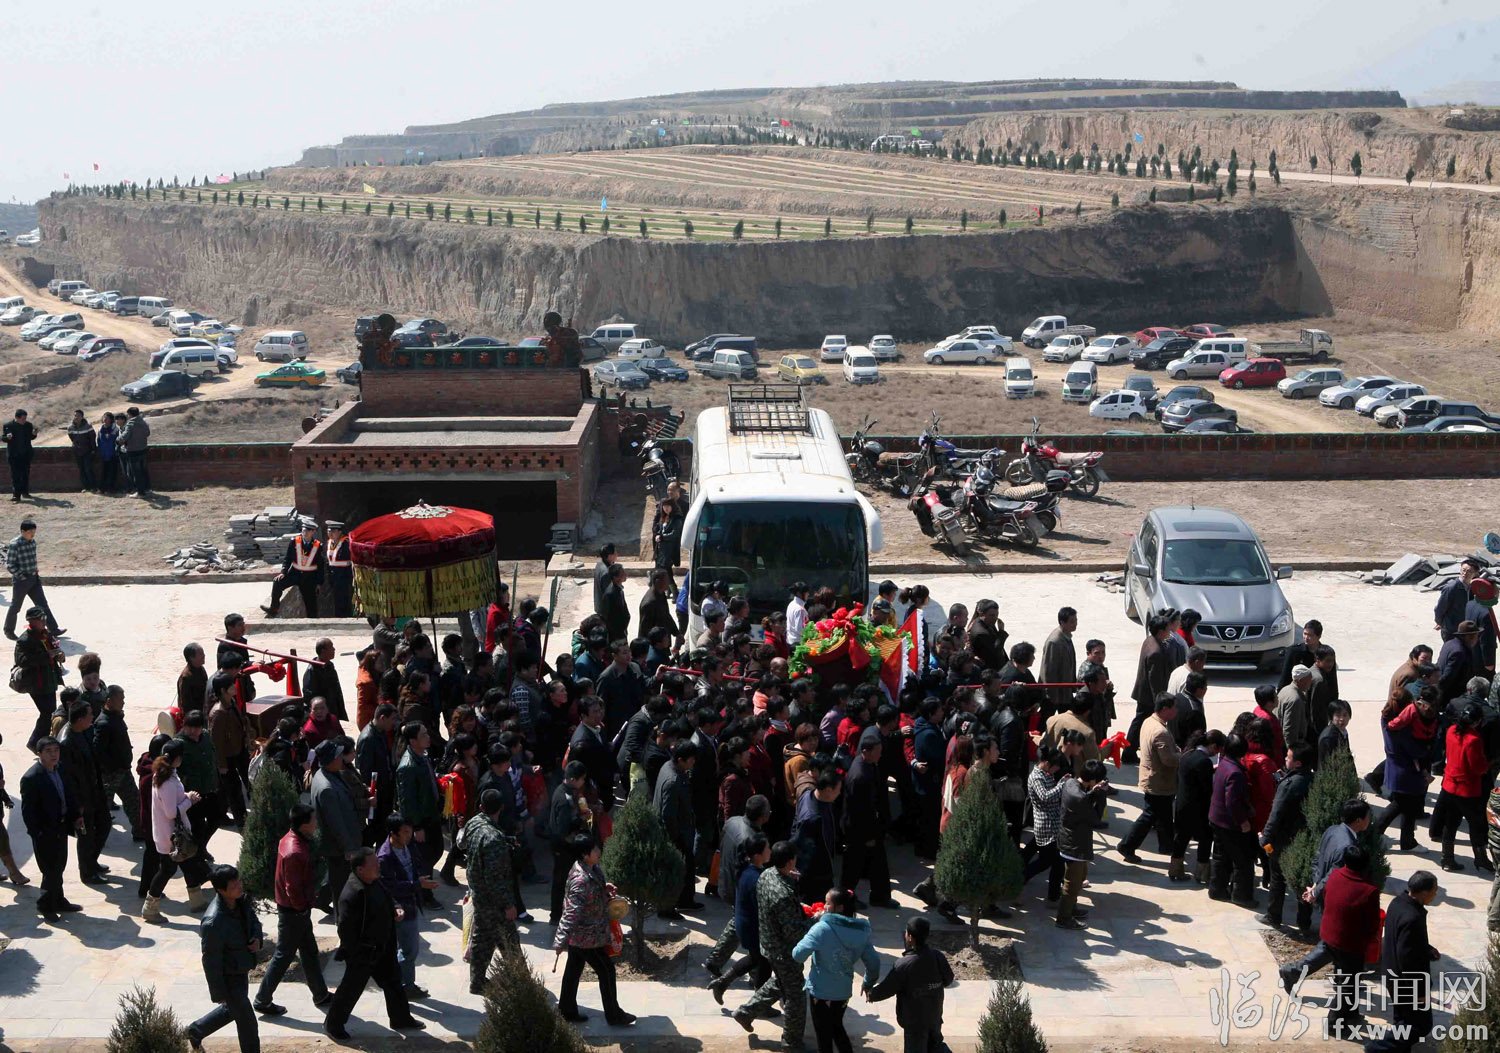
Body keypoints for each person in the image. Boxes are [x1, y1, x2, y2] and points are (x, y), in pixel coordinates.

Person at [1279, 845, 1380, 1034]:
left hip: (1331, 931)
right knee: (1348, 985)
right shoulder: (1369, 890)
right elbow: (1372, 921)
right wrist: (1368, 940)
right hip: (1350, 943)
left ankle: (1291, 973)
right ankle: (1335, 1024)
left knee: (1323, 957)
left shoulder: (1335, 875)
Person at [325, 846, 424, 1040]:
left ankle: (401, 1019)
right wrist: (357, 952)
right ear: (360, 869)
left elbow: (388, 897)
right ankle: (333, 1025)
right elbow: (345, 929)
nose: (378, 866)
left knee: (394, 982)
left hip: (383, 947)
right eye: (374, 864)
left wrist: (396, 907)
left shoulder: (374, 880)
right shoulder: (353, 893)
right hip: (364, 952)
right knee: (351, 989)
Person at [254, 802, 332, 1015]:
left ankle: (320, 994)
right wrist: (302, 909)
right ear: (304, 825)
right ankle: (262, 999)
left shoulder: (290, 839)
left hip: (296, 911)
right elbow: (293, 888)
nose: (316, 824)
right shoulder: (295, 851)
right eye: (313, 820)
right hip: (293, 912)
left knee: (309, 952)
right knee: (284, 956)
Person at [553, 833, 636, 1026]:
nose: (599, 851)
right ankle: (614, 1015)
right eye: (595, 849)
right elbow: (571, 912)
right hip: (586, 937)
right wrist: (560, 940)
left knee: (573, 970)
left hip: (585, 935)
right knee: (606, 971)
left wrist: (603, 889)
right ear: (585, 855)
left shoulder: (591, 869)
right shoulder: (580, 880)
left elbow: (591, 893)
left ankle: (566, 1010)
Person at [735, 839, 813, 1044]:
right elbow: (793, 932)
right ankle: (791, 1041)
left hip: (769, 943)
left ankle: (745, 1012)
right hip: (783, 950)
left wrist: (791, 880)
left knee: (781, 981)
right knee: (796, 995)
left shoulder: (767, 874)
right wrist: (815, 921)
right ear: (790, 862)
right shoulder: (783, 895)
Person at [792, 888, 881, 1053]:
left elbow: (798, 955)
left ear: (839, 907)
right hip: (842, 992)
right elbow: (874, 963)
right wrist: (868, 983)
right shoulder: (861, 932)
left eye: (827, 903)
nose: (824, 906)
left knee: (823, 1035)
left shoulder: (822, 928)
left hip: (820, 992)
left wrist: (812, 927)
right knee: (836, 1027)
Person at [187, 864, 264, 1053]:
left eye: (239, 881)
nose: (239, 886)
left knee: (233, 1009)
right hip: (228, 977)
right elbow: (210, 960)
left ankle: (196, 1030)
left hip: (241, 968)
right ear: (221, 890)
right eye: (234, 885)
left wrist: (257, 938)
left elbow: (254, 921)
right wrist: (218, 992)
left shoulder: (240, 901)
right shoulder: (213, 922)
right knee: (247, 1022)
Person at [1365, 871, 1441, 1053]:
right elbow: (1408, 960)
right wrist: (1420, 991)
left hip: (1392, 974)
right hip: (1405, 982)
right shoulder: (1412, 917)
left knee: (1403, 1021)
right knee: (1419, 1025)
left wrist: (1426, 948)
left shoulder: (1398, 902)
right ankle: (1376, 1049)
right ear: (1424, 892)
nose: (1436, 894)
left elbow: (1403, 939)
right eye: (1434, 890)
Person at [143, 738, 211, 920]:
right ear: (177, 758)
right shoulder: (166, 781)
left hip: (172, 835)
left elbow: (173, 799)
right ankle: (150, 908)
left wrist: (186, 795)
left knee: (189, 866)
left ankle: (197, 902)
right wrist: (190, 801)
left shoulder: (166, 774)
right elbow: (171, 812)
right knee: (167, 870)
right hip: (171, 837)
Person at [866, 916, 953, 1053]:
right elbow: (948, 979)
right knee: (935, 1045)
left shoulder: (904, 964)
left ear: (910, 937)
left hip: (914, 1023)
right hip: (934, 1016)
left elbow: (888, 988)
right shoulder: (938, 956)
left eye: (906, 932)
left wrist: (871, 994)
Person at [462, 789, 520, 994]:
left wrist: (506, 841)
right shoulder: (493, 838)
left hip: (478, 894)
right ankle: (520, 983)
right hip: (493, 901)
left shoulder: (474, 823)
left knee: (482, 940)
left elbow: (464, 844)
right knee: (509, 941)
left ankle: (477, 982)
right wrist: (508, 905)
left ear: (481, 807)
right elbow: (495, 879)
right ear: (501, 808)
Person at [20, 736, 81, 920]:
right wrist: (37, 833)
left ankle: (59, 900)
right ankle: (45, 905)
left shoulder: (60, 769)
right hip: (45, 832)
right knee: (50, 870)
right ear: (39, 754)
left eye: (56, 750)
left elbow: (68, 794)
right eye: (48, 751)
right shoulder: (31, 778)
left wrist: (75, 816)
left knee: (59, 866)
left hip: (60, 827)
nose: (54, 755)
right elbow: (28, 811)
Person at [379, 813, 438, 999]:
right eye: (405, 832)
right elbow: (390, 887)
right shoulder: (385, 857)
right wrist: (417, 885)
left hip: (411, 903)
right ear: (393, 833)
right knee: (409, 950)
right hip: (400, 908)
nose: (410, 835)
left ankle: (402, 983)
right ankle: (405, 986)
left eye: (410, 830)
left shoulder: (408, 845)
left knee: (406, 949)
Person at [1120, 693, 1180, 871]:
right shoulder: (1160, 731)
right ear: (1164, 709)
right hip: (1158, 781)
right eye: (1173, 708)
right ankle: (1127, 845)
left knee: (1164, 814)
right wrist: (1182, 755)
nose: (1176, 711)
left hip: (1153, 777)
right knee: (1150, 815)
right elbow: (1168, 760)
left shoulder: (1149, 721)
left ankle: (1167, 845)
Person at [1372, 689, 1438, 849]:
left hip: (1397, 768)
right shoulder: (1402, 727)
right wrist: (1427, 750)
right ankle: (1373, 835)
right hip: (1405, 770)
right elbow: (1414, 750)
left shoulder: (1387, 718)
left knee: (1408, 805)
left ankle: (1407, 841)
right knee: (1399, 805)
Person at [1261, 745, 1316, 932]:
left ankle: (1273, 916)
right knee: (1303, 881)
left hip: (1282, 840)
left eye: (1288, 757)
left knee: (1277, 878)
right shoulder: (1314, 780)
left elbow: (1275, 815)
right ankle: (1304, 922)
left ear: (1298, 763)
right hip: (1305, 841)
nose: (1285, 759)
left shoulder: (1288, 785)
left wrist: (1265, 838)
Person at [1436, 703, 1494, 873]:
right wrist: (1488, 765)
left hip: (1449, 786)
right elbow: (1478, 767)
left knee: (1450, 824)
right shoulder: (1474, 739)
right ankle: (1481, 858)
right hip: (1467, 790)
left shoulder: (1451, 730)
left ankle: (1447, 858)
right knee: (1476, 825)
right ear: (1477, 722)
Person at [58, 701, 109, 884]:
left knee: (104, 825)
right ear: (80, 719)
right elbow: (68, 779)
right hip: (82, 798)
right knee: (86, 836)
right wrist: (77, 805)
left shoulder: (84, 731)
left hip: (94, 792)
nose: (92, 718)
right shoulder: (66, 742)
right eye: (89, 715)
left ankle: (91, 861)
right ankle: (87, 872)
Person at [842, 727, 893, 908]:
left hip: (870, 825)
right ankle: (846, 899)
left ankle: (880, 896)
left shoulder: (868, 764)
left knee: (877, 862)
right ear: (866, 752)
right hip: (859, 828)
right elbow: (859, 811)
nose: (880, 755)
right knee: (853, 865)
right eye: (878, 752)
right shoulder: (859, 776)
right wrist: (868, 836)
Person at [1056, 759, 1108, 929]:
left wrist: (1093, 791)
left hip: (1070, 841)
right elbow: (1096, 818)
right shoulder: (1081, 799)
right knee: (1072, 884)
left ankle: (1071, 908)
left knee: (1079, 877)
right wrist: (1101, 795)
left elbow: (1083, 799)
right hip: (1074, 845)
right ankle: (1064, 918)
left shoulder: (1070, 783)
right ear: (1092, 780)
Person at [1208, 733, 1256, 906]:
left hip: (1216, 818)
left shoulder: (1224, 763)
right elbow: (1232, 802)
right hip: (1229, 824)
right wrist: (1243, 822)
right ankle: (1241, 896)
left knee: (1221, 856)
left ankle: (1217, 890)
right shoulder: (1235, 772)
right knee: (1243, 860)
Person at [313, 739, 362, 908]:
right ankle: (342, 918)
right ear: (331, 760)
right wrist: (349, 848)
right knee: (341, 889)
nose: (342, 758)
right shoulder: (326, 788)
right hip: (339, 848)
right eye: (338, 756)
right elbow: (336, 824)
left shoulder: (329, 774)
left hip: (342, 845)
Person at [1171, 730, 1224, 885]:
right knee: (1206, 839)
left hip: (1182, 805)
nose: (1217, 753)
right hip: (1199, 809)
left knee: (1181, 838)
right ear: (1213, 746)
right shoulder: (1204, 762)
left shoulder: (1187, 754)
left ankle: (1175, 869)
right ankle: (1202, 873)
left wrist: (1211, 769)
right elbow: (1207, 788)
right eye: (1217, 749)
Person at [654, 741, 700, 916]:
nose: (693, 762)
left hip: (681, 831)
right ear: (681, 760)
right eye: (691, 759)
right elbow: (668, 815)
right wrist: (677, 839)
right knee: (672, 872)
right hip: (675, 835)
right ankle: (666, 908)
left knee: (686, 869)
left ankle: (684, 900)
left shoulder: (669, 766)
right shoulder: (673, 781)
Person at [7, 518, 64, 640]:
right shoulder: (15, 544)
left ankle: (53, 629)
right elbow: (10, 565)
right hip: (21, 581)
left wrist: (35, 571)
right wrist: (22, 577)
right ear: (23, 531)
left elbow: (32, 559)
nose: (32, 534)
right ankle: (9, 631)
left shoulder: (33, 542)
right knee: (16, 607)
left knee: (43, 605)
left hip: (34, 579)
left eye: (34, 531)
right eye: (30, 532)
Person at [792, 771, 842, 904]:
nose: (839, 793)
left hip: (822, 866)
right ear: (828, 790)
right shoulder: (812, 817)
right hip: (816, 874)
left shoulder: (809, 795)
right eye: (838, 790)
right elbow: (799, 843)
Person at [1127, 614, 1172, 757]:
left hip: (1144, 692)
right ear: (1161, 631)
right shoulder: (1155, 652)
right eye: (1167, 630)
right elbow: (1155, 680)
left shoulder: (1150, 640)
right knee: (1139, 722)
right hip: (1148, 696)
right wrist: (1158, 701)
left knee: (1139, 721)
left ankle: (1130, 750)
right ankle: (1128, 752)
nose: (1170, 632)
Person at [262, 520, 324, 618]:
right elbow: (288, 558)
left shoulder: (318, 546)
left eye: (308, 530)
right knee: (277, 582)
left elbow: (320, 566)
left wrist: (319, 582)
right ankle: (274, 608)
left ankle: (313, 621)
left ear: (313, 532)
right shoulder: (294, 541)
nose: (305, 532)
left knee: (311, 604)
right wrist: (283, 572)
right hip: (295, 574)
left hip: (309, 578)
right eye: (304, 530)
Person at [1040, 607, 1078, 718]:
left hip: (1065, 691)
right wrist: (1052, 694)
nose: (1075, 624)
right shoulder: (1055, 641)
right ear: (1062, 622)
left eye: (1076, 620)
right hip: (1054, 693)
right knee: (1046, 720)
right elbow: (1049, 669)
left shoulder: (1066, 637)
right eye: (1072, 621)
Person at [1434, 556, 1481, 640]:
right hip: (1451, 630)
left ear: (1475, 574)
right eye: (1463, 570)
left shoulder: (1471, 588)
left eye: (1469, 571)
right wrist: (1441, 623)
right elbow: (1440, 608)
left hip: (1464, 629)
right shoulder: (1451, 588)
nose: (1465, 573)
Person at [303, 637, 347, 721]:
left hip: (332, 712)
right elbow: (310, 696)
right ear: (323, 651)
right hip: (322, 715)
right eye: (331, 647)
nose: (334, 649)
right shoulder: (312, 670)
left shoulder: (329, 665)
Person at [1277, 665, 1315, 753]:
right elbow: (1289, 729)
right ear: (1301, 680)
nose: (1311, 682)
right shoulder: (1295, 700)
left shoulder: (1285, 689)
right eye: (1309, 679)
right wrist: (1292, 751)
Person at [3, 408, 38, 500]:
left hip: (26, 454)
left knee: (25, 474)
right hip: (14, 455)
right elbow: (3, 438)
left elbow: (31, 437)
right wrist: (7, 437)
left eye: (25, 418)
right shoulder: (8, 426)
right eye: (23, 419)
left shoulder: (28, 425)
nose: (24, 420)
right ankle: (16, 495)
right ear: (17, 418)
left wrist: (34, 434)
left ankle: (25, 492)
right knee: (15, 475)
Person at [118, 406, 152, 495]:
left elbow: (125, 436)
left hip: (133, 451)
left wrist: (118, 440)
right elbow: (147, 433)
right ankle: (147, 489)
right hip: (143, 449)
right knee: (143, 471)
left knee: (136, 472)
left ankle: (140, 492)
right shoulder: (143, 422)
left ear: (130, 414)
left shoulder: (130, 424)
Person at [324, 522, 354, 617]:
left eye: (333, 531)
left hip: (344, 577)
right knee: (336, 600)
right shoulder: (329, 543)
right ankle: (339, 617)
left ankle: (347, 616)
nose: (330, 533)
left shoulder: (346, 543)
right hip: (333, 577)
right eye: (329, 531)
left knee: (345, 599)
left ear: (340, 532)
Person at [66, 409, 97, 490]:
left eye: (78, 416)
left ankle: (93, 487)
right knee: (81, 469)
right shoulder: (70, 428)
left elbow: (92, 438)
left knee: (88, 469)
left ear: (82, 417)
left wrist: (93, 449)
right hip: (77, 451)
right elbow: (72, 438)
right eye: (75, 415)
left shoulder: (88, 426)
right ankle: (86, 487)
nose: (76, 417)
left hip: (87, 451)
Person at [96, 411, 121, 492]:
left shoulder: (116, 429)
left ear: (111, 419)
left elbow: (118, 441)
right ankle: (102, 488)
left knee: (112, 471)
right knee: (103, 471)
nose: (105, 419)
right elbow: (98, 441)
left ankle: (111, 488)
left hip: (113, 453)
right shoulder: (100, 429)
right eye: (104, 418)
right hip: (103, 454)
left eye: (107, 418)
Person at [592, 543, 617, 619]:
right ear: (609, 556)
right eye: (615, 553)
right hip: (606, 612)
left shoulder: (599, 564)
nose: (617, 555)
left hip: (600, 607)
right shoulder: (606, 572)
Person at [786, 582, 811, 646]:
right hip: (799, 644)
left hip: (790, 641)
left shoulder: (791, 604)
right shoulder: (800, 609)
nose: (808, 594)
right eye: (806, 592)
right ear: (799, 593)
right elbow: (800, 630)